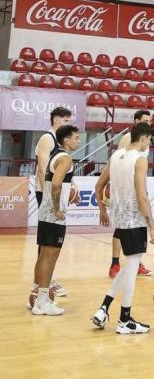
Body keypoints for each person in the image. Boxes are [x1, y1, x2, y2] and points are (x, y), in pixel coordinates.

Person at [92, 123, 154, 333]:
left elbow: (98, 185)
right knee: (132, 269)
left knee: (130, 266)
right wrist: (152, 225)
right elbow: (141, 196)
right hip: (134, 219)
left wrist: (102, 210)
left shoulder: (116, 156)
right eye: (149, 140)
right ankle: (124, 319)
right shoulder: (140, 159)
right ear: (143, 138)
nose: (148, 144)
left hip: (119, 218)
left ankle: (103, 308)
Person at [30, 125, 81, 315]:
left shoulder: (55, 155)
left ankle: (36, 294)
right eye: (76, 137)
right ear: (66, 140)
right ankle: (42, 302)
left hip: (46, 212)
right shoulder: (65, 158)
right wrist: (58, 207)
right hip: (53, 214)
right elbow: (57, 184)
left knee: (44, 255)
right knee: (50, 256)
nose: (78, 141)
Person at [109, 109, 153, 278]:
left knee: (137, 227)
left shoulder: (145, 139)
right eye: (145, 120)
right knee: (121, 228)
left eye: (149, 121)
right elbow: (118, 162)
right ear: (136, 121)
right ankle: (115, 263)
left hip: (138, 185)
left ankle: (137, 263)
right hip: (126, 190)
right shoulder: (128, 138)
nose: (148, 123)